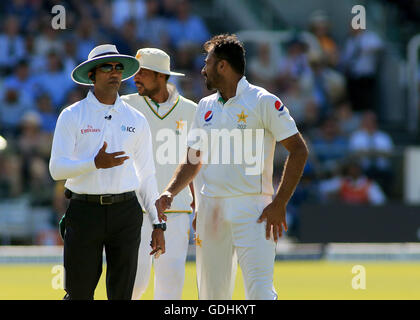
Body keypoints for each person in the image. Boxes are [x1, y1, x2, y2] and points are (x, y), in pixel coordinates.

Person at [155, 34, 309, 300]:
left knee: (260, 292)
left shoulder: (262, 101)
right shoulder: (205, 106)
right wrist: (170, 191)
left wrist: (280, 202)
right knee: (212, 296)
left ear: (223, 66)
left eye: (208, 62)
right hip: (211, 209)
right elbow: (193, 159)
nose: (203, 69)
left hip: (254, 210)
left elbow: (299, 150)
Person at [49, 44, 166, 300]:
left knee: (123, 294)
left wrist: (158, 223)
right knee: (78, 293)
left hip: (126, 212)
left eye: (118, 67)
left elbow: (146, 175)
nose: (114, 72)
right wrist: (94, 163)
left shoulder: (136, 119)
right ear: (91, 75)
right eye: (106, 67)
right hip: (84, 211)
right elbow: (56, 169)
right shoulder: (72, 115)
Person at [122, 47, 198, 300]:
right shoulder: (125, 105)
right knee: (134, 282)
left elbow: (197, 162)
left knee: (171, 284)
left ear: (161, 76)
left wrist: (200, 207)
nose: (135, 78)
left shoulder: (191, 110)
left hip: (176, 210)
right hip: (135, 208)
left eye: (142, 72)